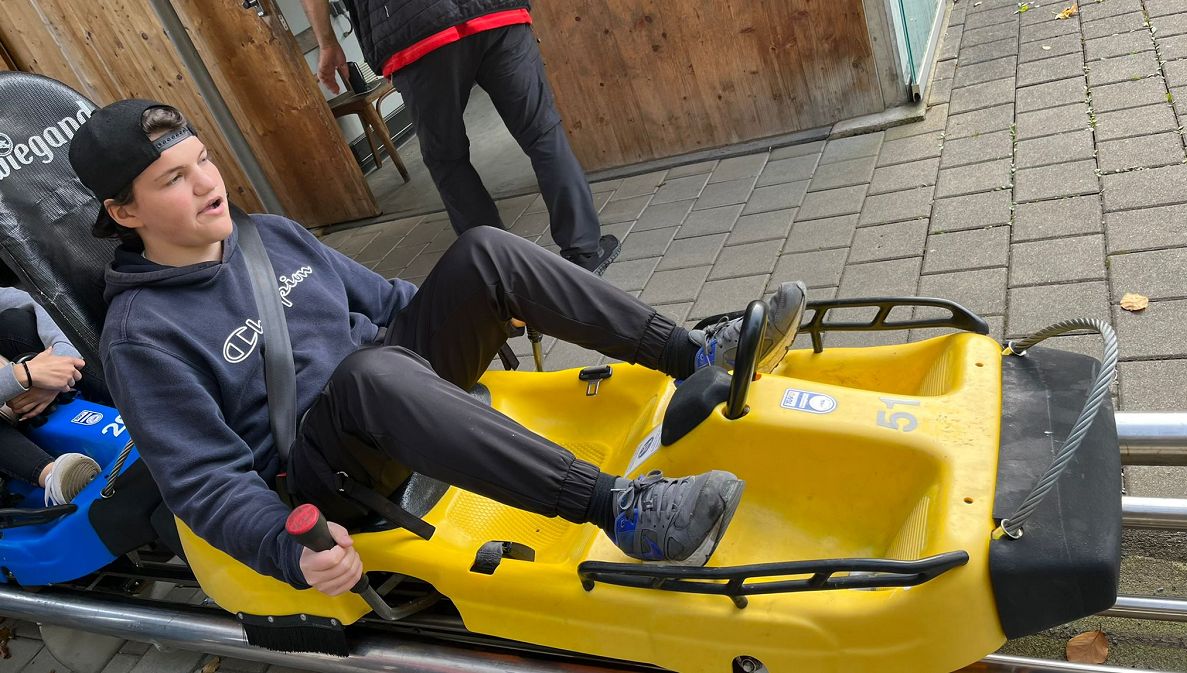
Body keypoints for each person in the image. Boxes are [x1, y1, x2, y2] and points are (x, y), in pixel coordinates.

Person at [68, 99, 807, 596]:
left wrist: (487, 305)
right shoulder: (142, 338)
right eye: (174, 179)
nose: (208, 183)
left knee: (484, 251)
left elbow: (392, 303)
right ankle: (624, 511)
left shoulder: (269, 236)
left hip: (393, 388)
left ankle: (694, 354)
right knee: (372, 374)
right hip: (325, 474)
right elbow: (205, 483)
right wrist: (288, 549)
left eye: (203, 159)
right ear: (124, 212)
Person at [300, 0, 623, 275]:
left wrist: (327, 43)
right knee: (543, 134)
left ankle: (503, 276)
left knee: (447, 160)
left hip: (413, 31)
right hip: (494, 12)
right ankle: (584, 253)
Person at [0, 288, 100, 505]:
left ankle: (128, 402)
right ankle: (57, 477)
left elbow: (35, 300)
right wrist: (24, 374)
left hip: (30, 388)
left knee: (15, 321)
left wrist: (58, 365)